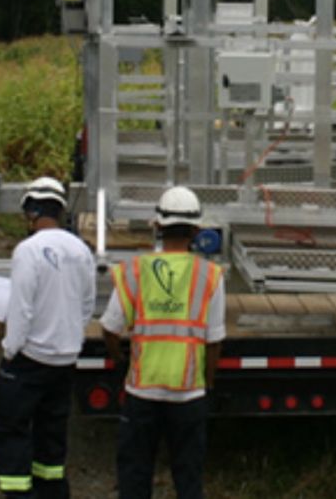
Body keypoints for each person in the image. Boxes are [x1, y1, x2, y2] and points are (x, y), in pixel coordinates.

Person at [100, 186, 225, 499]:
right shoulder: (210, 275)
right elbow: (214, 341)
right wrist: (207, 383)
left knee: (134, 475)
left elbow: (109, 329)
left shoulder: (134, 271)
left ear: (156, 225)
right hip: (189, 392)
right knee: (189, 477)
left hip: (142, 389)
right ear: (197, 230)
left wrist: (121, 361)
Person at [0, 176, 97, 497]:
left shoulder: (28, 250)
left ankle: (18, 492)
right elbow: (87, 304)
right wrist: (70, 337)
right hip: (64, 359)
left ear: (32, 213)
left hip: (29, 358)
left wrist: (10, 350)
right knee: (52, 435)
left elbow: (20, 308)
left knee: (13, 432)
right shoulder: (81, 250)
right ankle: (53, 491)